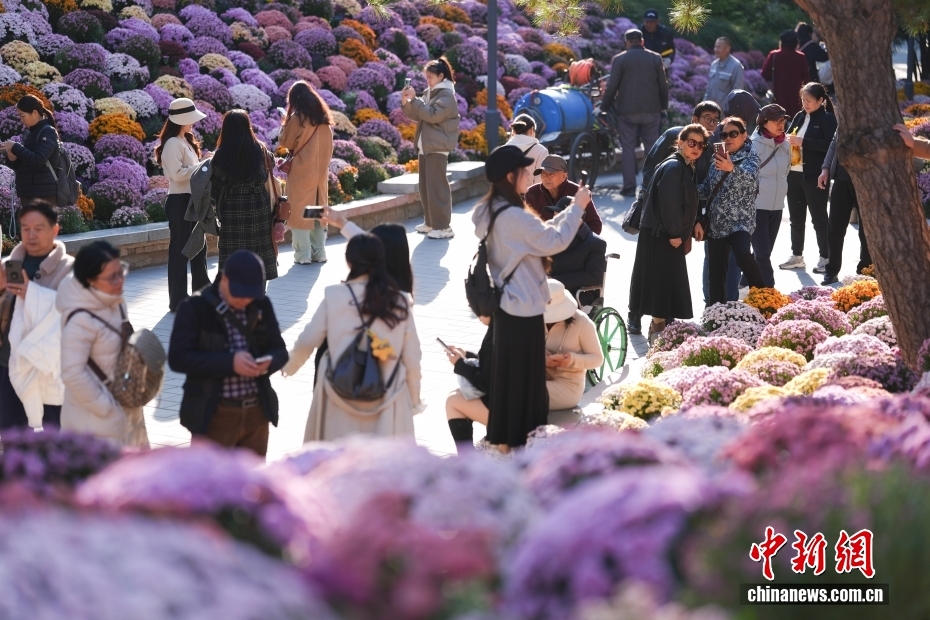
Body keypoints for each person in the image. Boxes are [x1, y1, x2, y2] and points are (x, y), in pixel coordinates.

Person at [473, 145, 586, 451]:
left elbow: (538, 236)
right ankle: (523, 444)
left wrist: (565, 213)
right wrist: (577, 207)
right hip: (524, 309)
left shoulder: (486, 210)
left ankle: (505, 443)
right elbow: (554, 241)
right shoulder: (514, 216)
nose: (528, 174)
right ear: (511, 176)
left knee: (509, 379)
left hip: (505, 307)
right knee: (528, 383)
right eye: (524, 170)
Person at [283, 233, 420, 442]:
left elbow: (308, 340)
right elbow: (412, 357)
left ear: (349, 262)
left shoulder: (334, 295)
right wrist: (414, 398)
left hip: (338, 398)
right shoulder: (400, 300)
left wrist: (290, 366)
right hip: (389, 397)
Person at [168, 249, 288, 457]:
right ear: (224, 279)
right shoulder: (195, 308)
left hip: (256, 414)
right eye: (238, 293)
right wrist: (229, 362)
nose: (244, 300)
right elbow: (178, 359)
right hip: (214, 414)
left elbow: (280, 350)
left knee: (253, 484)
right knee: (214, 487)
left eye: (250, 295)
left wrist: (268, 362)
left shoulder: (260, 304)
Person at [631, 101, 720, 335]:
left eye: (701, 145)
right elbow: (669, 203)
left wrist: (691, 225)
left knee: (662, 283)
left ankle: (658, 330)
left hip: (666, 232)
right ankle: (656, 332)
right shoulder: (674, 166)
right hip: (663, 233)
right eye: (692, 143)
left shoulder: (685, 165)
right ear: (680, 143)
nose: (697, 148)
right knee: (658, 283)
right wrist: (675, 234)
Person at [57, 241, 148, 447]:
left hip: (127, 410)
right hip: (94, 424)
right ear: (90, 280)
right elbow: (72, 373)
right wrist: (106, 408)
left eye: (121, 272)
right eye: (111, 277)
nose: (120, 281)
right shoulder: (80, 319)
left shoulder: (116, 302)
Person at [0, 201, 72, 432]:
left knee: (51, 446)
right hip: (9, 364)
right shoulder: (7, 266)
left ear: (54, 230)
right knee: (13, 439)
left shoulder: (70, 270)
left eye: (38, 228)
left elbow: (72, 314)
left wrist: (33, 293)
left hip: (50, 370)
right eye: (25, 228)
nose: (31, 235)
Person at [697, 117, 765, 305]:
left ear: (744, 135)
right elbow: (708, 188)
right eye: (724, 134)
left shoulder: (751, 155)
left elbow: (751, 182)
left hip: (740, 222)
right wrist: (688, 187)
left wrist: (732, 169)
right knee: (716, 273)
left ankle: (764, 297)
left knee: (743, 254)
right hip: (716, 223)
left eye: (733, 134)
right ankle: (715, 312)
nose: (728, 138)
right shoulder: (717, 156)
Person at [155, 98, 211, 313]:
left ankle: (201, 293)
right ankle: (178, 300)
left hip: (192, 200)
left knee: (199, 248)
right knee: (180, 251)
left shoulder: (184, 140)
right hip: (180, 201)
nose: (193, 123)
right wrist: (203, 166)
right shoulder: (172, 143)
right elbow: (176, 175)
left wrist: (203, 164)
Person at [211, 110, 279, 282]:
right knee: (258, 257)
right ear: (248, 127)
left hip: (233, 210)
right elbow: (271, 165)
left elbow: (215, 186)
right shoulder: (261, 150)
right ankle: (258, 297)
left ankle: (236, 299)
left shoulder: (221, 154)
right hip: (259, 208)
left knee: (234, 260)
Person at [600, 28, 669, 197]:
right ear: (642, 41)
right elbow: (663, 85)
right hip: (651, 111)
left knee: (628, 148)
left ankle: (629, 187)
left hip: (627, 112)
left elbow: (612, 86)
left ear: (627, 42)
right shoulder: (655, 58)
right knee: (652, 148)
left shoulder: (620, 59)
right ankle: (654, 186)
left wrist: (603, 107)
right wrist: (663, 107)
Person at [779, 82, 837, 273]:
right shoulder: (799, 115)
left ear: (821, 100)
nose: (805, 103)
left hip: (815, 175)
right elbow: (789, 135)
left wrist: (804, 142)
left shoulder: (828, 119)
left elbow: (829, 145)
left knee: (819, 218)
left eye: (809, 100)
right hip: (793, 174)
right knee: (796, 218)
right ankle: (797, 256)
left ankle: (826, 257)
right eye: (803, 99)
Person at [401, 57, 460, 240]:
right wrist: (406, 102)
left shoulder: (446, 95)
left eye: (430, 77)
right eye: (426, 77)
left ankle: (443, 227)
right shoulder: (431, 93)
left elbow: (432, 116)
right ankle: (430, 223)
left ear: (441, 76)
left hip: (437, 147)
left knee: (437, 188)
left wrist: (416, 101)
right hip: (426, 147)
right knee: (426, 187)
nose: (428, 80)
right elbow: (418, 115)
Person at [279, 81, 335, 265]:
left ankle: (303, 255)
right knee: (316, 214)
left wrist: (284, 122)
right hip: (319, 177)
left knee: (300, 215)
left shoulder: (298, 118)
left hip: (302, 175)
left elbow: (285, 142)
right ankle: (319, 252)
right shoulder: (324, 120)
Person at [0, 96, 62, 236]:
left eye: (23, 116)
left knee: (41, 237)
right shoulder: (31, 132)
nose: (22, 120)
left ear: (35, 113)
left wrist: (16, 147)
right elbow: (24, 163)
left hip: (43, 194)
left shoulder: (48, 131)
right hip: (28, 192)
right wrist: (11, 155)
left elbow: (39, 159)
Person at [818, 129, 871, 285]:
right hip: (842, 179)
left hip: (866, 182)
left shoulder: (872, 115)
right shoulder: (844, 117)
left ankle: (865, 271)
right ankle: (831, 271)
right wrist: (825, 168)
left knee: (866, 230)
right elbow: (834, 145)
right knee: (835, 228)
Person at [542, 279, 603, 410]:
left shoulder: (582, 322)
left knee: (526, 394)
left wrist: (572, 359)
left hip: (568, 386)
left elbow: (597, 359)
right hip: (536, 376)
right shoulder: (533, 319)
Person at [750, 104, 792, 287]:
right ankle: (769, 292)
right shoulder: (753, 145)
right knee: (763, 254)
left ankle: (744, 281)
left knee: (763, 252)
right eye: (776, 121)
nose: (780, 124)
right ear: (763, 123)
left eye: (782, 120)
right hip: (758, 206)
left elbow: (787, 170)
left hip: (777, 206)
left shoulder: (785, 144)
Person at [444, 316, 492, 453]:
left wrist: (460, 364)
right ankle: (468, 460)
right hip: (521, 403)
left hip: (515, 414)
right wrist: (466, 355)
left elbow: (485, 382)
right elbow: (491, 365)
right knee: (457, 395)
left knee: (453, 401)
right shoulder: (516, 326)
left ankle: (467, 461)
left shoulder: (499, 333)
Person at [524, 155, 602, 233]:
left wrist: (577, 241)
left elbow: (595, 226)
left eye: (551, 174)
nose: (547, 177)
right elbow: (527, 225)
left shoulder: (577, 192)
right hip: (543, 241)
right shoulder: (532, 193)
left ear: (564, 176)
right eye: (544, 173)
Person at [548, 219, 607, 307]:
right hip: (550, 290)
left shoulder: (596, 243)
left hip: (577, 293)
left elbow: (593, 276)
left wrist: (555, 281)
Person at [761, 30, 810, 118]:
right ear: (796, 42)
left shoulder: (774, 55)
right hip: (796, 96)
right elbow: (806, 78)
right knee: (795, 120)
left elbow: (765, 74)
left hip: (778, 94)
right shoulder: (800, 57)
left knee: (779, 118)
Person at [504, 113, 549, 185]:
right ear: (531, 130)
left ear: (514, 131)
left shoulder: (502, 151)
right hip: (530, 195)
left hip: (508, 195)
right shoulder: (541, 151)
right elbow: (540, 183)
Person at [704, 37, 745, 108]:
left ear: (728, 49)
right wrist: (703, 106)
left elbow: (737, 93)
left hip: (725, 114)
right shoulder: (714, 65)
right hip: (711, 111)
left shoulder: (736, 66)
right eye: (715, 47)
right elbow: (709, 90)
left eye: (719, 47)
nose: (716, 50)